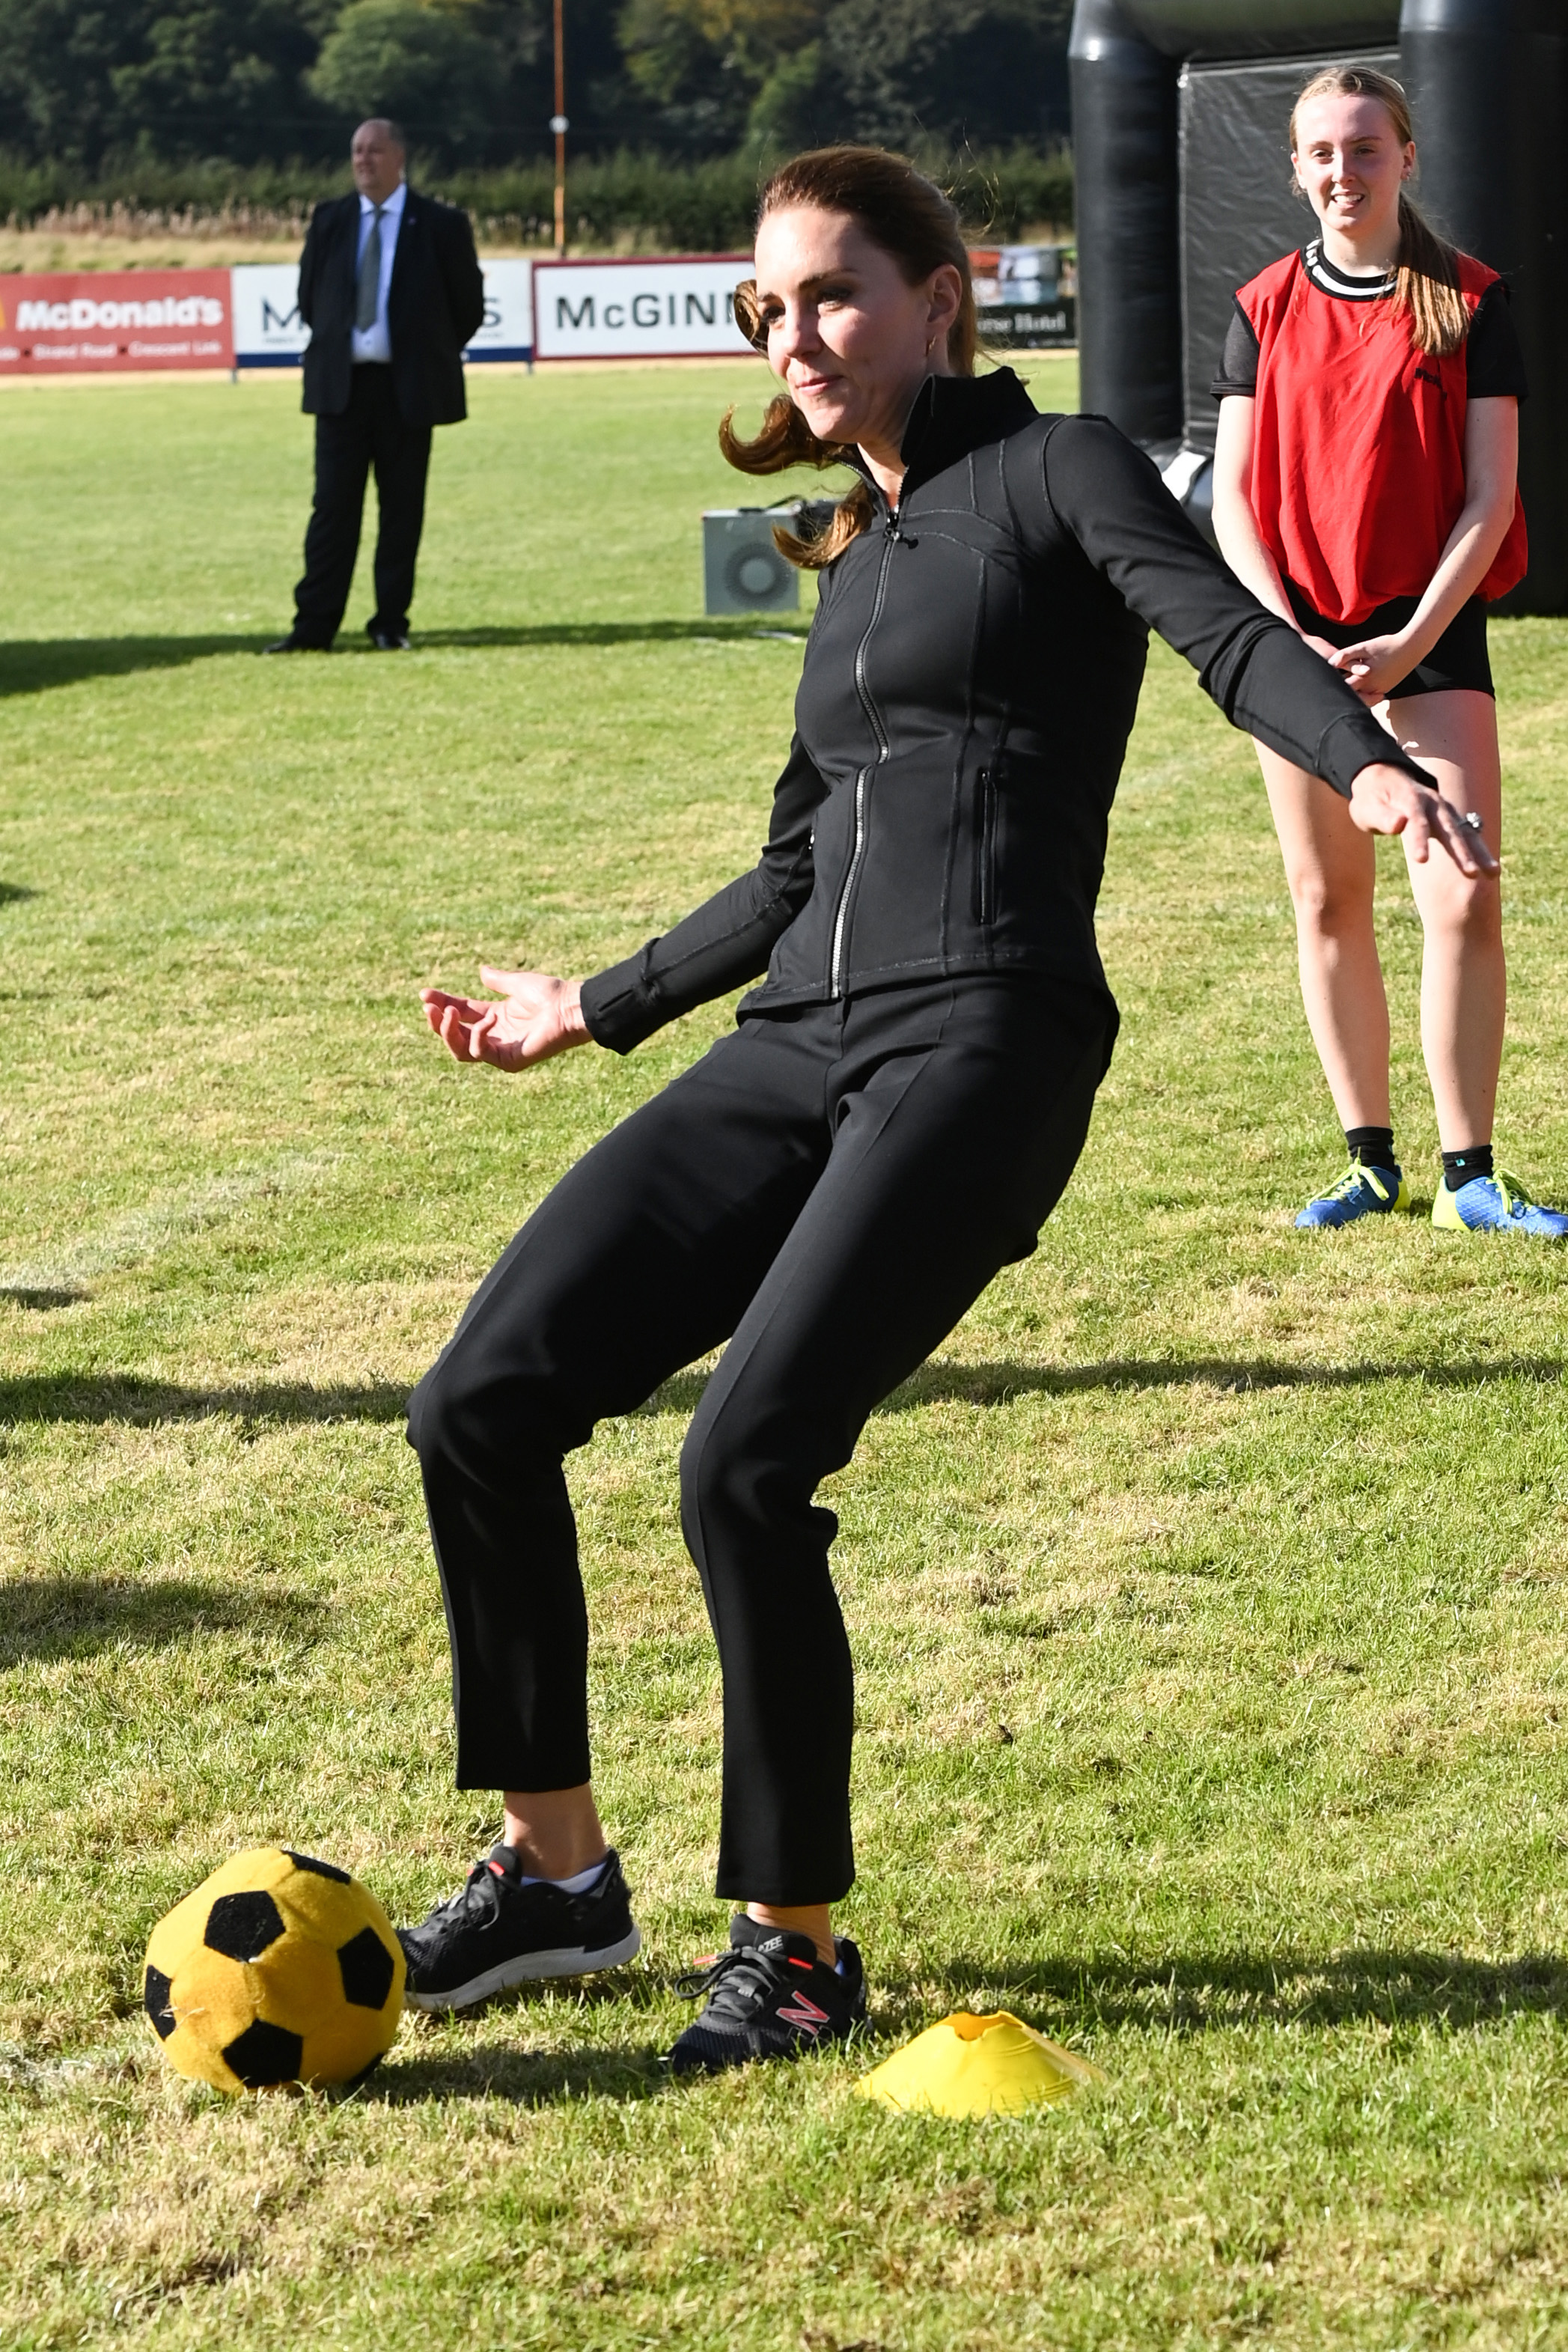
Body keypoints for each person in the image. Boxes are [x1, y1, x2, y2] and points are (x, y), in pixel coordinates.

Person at [396, 147, 1492, 2076]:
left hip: (983, 1045)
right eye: (770, 302)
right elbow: (788, 867)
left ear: (937, 294)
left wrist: (1374, 762)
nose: (796, 334)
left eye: (832, 292)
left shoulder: (1055, 472)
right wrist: (592, 1005)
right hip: (797, 1042)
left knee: (742, 1460)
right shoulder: (856, 546)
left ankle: (795, 1941)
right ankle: (557, 1877)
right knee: (480, 1394)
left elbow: (1226, 635)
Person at [1211, 64, 1567, 1237]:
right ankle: (1369, 1162)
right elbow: (1230, 502)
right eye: (1319, 152)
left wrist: (1412, 630)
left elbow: (1489, 494)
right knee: (1327, 901)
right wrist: (1281, 630)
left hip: (1426, 637)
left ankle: (1469, 1173)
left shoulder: (1466, 300)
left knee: (1460, 895)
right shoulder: (1260, 303)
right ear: (1295, 166)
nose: (1339, 172)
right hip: (1296, 647)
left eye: (1362, 150)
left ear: (1405, 158)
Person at [266, 118, 485, 655]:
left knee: (401, 511)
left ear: (399, 158)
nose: (363, 160)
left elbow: (467, 309)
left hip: (408, 392)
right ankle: (312, 628)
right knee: (331, 511)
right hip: (342, 391)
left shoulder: (440, 224)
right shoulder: (330, 219)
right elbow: (310, 299)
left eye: (374, 151)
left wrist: (419, 352)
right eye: (357, 151)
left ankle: (390, 623)